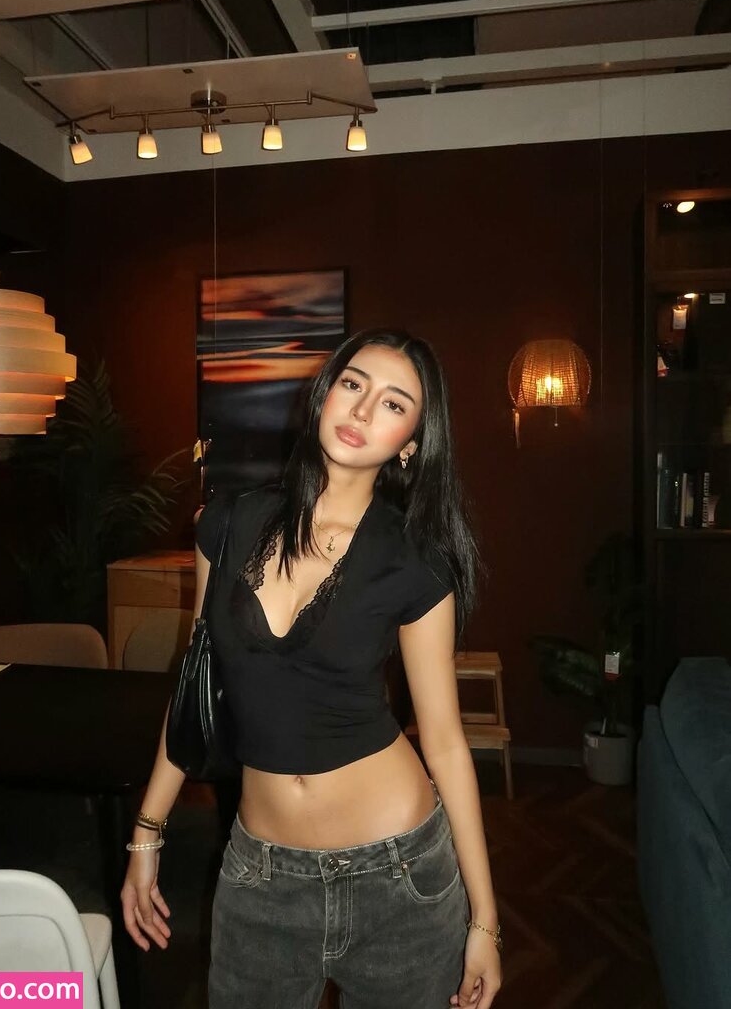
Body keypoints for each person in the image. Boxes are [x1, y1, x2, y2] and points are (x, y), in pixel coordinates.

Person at [121, 328, 503, 1009]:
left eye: (394, 404)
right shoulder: (228, 523)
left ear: (411, 443)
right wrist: (146, 836)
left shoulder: (415, 560)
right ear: (325, 393)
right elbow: (196, 688)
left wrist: (485, 920)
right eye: (353, 384)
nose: (363, 410)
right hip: (260, 875)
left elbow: (444, 742)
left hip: (399, 875)